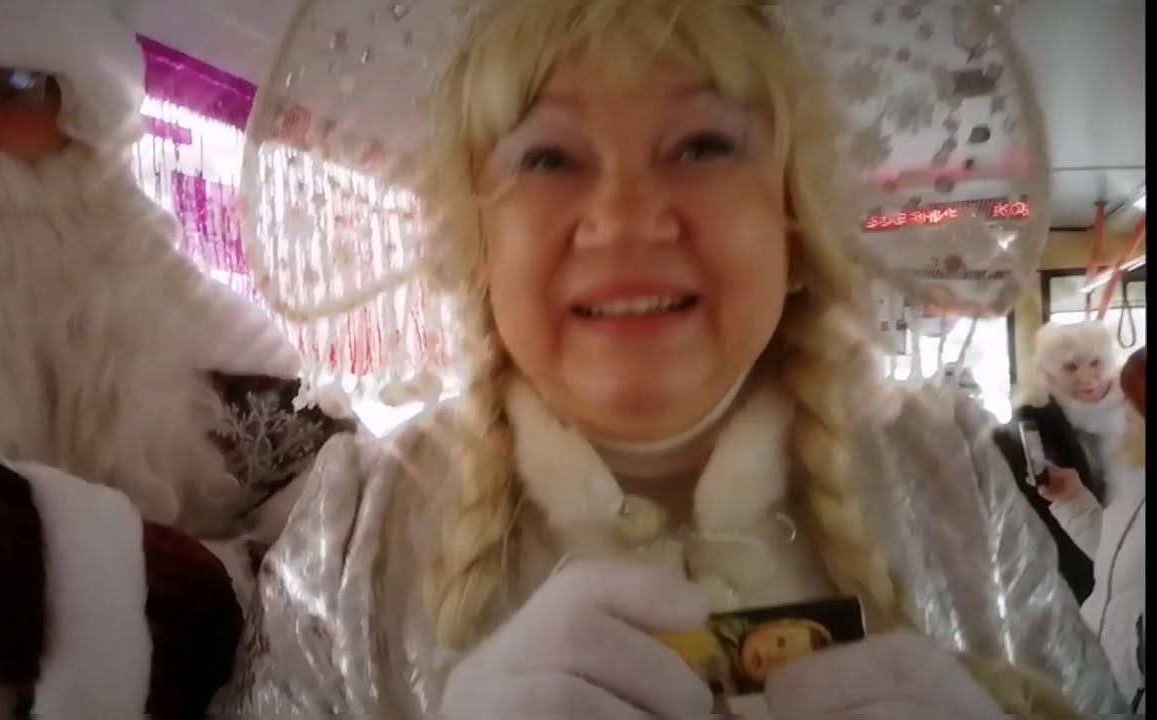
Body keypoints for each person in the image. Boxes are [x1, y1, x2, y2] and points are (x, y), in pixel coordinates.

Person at [219, 1, 1125, 718]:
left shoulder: (951, 481)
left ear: (793, 223)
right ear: (478, 245)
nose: (626, 219)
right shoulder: (358, 532)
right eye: (548, 158)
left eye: (702, 146)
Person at [0, 0, 355, 717]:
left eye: (6, 87)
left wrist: (116, 584)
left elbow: (333, 608)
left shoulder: (237, 364)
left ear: (85, 123)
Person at [1039, 346, 1146, 711]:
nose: (1124, 412)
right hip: (1104, 678)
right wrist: (1072, 501)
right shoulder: (1135, 484)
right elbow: (1117, 561)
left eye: (1132, 402)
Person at [993, 321, 1129, 603]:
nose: (1086, 378)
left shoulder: (1136, 408)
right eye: (1070, 367)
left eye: (1095, 363)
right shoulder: (1031, 426)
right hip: (1074, 573)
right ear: (1049, 373)